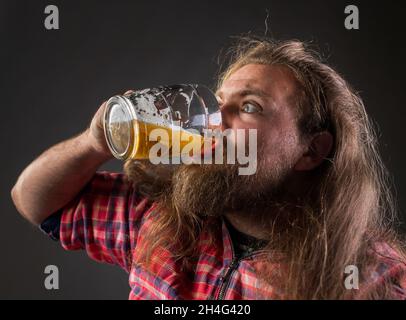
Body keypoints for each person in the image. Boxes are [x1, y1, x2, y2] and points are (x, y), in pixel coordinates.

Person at [11, 36, 406, 299]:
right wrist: (93, 142)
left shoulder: (374, 280)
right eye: (218, 103)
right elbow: (36, 202)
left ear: (311, 150)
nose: (215, 121)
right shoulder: (158, 216)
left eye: (249, 107)